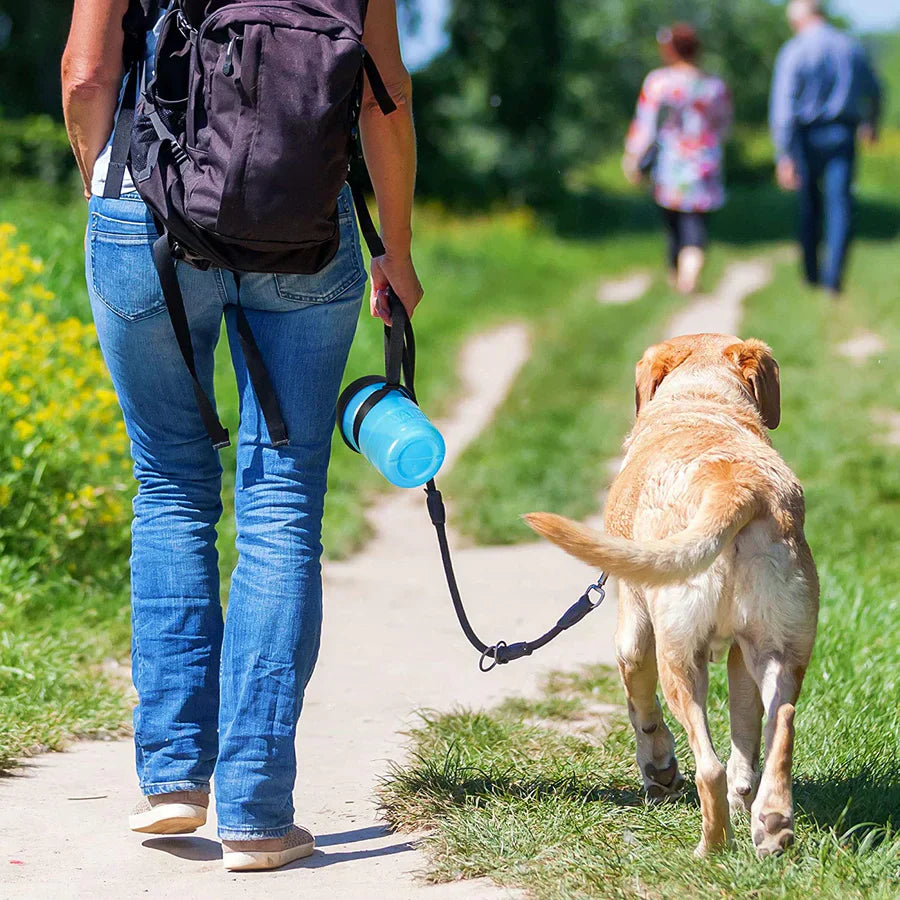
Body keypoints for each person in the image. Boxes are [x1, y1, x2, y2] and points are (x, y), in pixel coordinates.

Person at [61, 0, 422, 872]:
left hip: (142, 212)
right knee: (282, 506)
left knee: (173, 488)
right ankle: (260, 809)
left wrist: (104, 182)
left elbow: (84, 74)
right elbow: (386, 98)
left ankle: (174, 779)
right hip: (307, 228)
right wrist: (398, 249)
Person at [770, 0, 882, 296]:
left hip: (805, 137)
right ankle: (834, 279)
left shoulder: (794, 50)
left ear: (800, 19)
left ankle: (811, 275)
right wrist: (872, 123)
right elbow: (876, 89)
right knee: (840, 206)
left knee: (809, 206)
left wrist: (784, 154)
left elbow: (783, 108)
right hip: (843, 134)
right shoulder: (851, 46)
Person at [623, 24, 732, 294]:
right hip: (704, 163)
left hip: (670, 165)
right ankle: (689, 271)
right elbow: (724, 126)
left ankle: (678, 273)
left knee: (672, 223)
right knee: (696, 226)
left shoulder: (659, 82)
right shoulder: (714, 87)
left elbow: (645, 126)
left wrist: (633, 158)